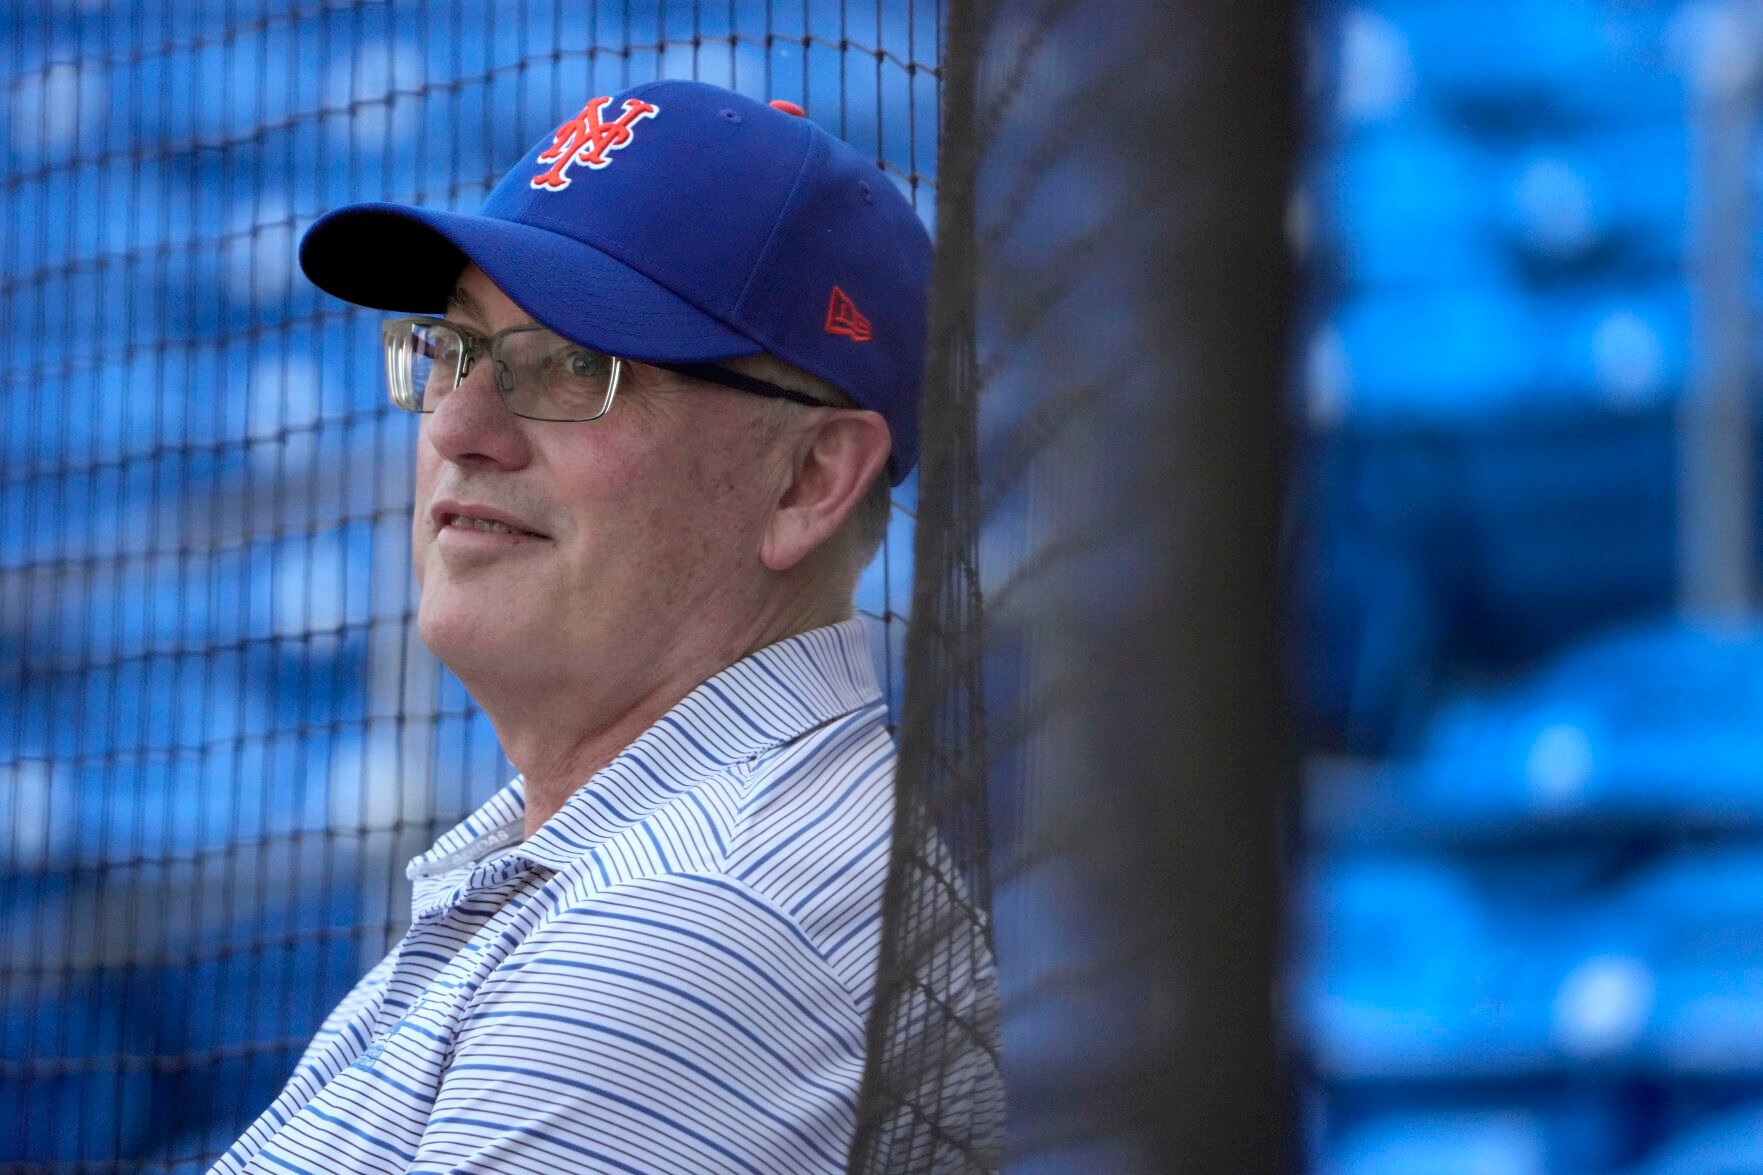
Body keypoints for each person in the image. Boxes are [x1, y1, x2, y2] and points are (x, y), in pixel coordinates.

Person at [212, 80, 1001, 1174]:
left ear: (808, 480)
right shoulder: (617, 857)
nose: (458, 424)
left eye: (574, 364)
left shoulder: (699, 922)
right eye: (454, 348)